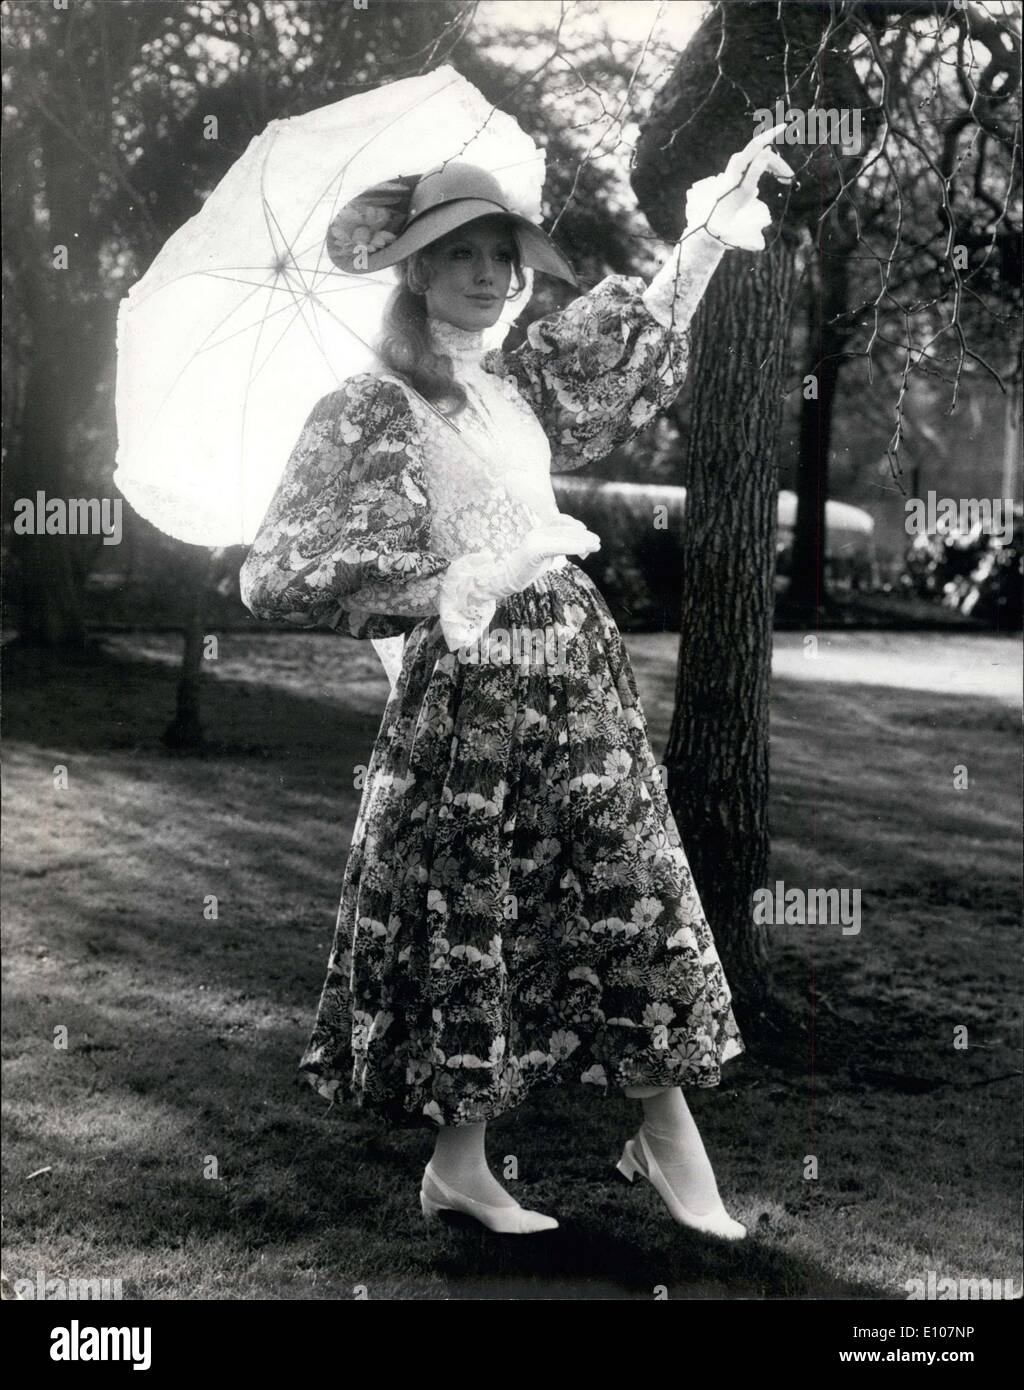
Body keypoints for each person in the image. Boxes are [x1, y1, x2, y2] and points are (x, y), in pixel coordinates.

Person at [240, 130, 793, 1240]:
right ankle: (460, 1163)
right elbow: (279, 568)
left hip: (573, 676)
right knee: (471, 911)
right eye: (460, 255)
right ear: (415, 270)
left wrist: (704, 230)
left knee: (625, 884)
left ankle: (666, 1129)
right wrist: (456, 571)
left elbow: (629, 345)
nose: (489, 275)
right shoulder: (373, 406)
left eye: (502, 254)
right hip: (471, 691)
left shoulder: (519, 384)